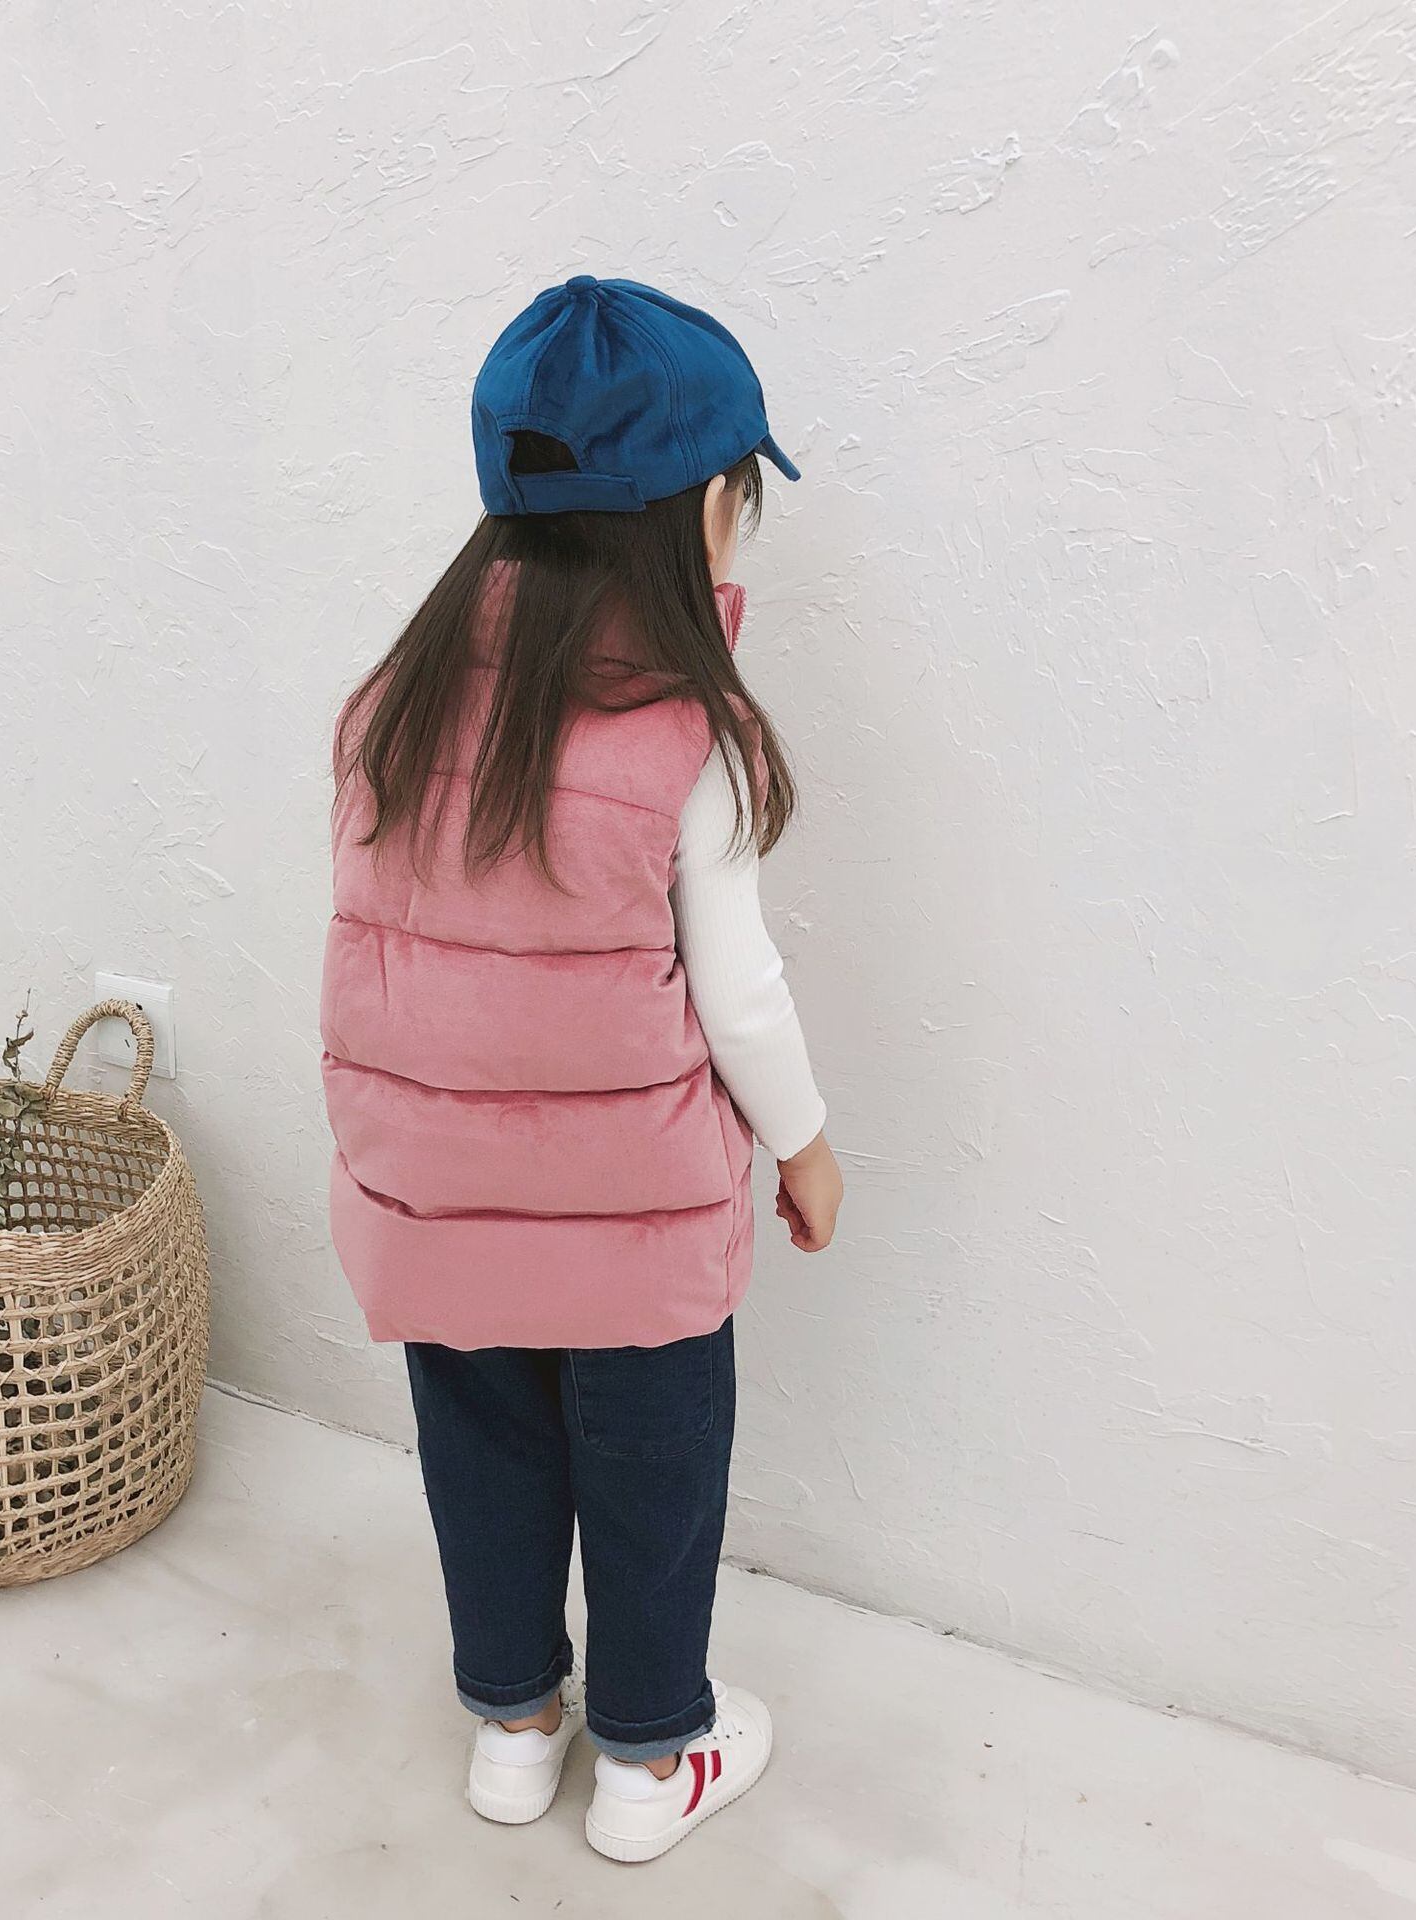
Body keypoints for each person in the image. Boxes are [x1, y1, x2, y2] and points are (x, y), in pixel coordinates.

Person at [319, 273, 842, 1863]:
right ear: (700, 511)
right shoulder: (692, 735)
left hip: (434, 1211)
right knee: (651, 1485)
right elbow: (740, 995)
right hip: (632, 1231)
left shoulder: (392, 707)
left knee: (480, 1463)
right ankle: (647, 1763)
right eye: (739, 501)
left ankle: (510, 1730)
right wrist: (807, 1143)